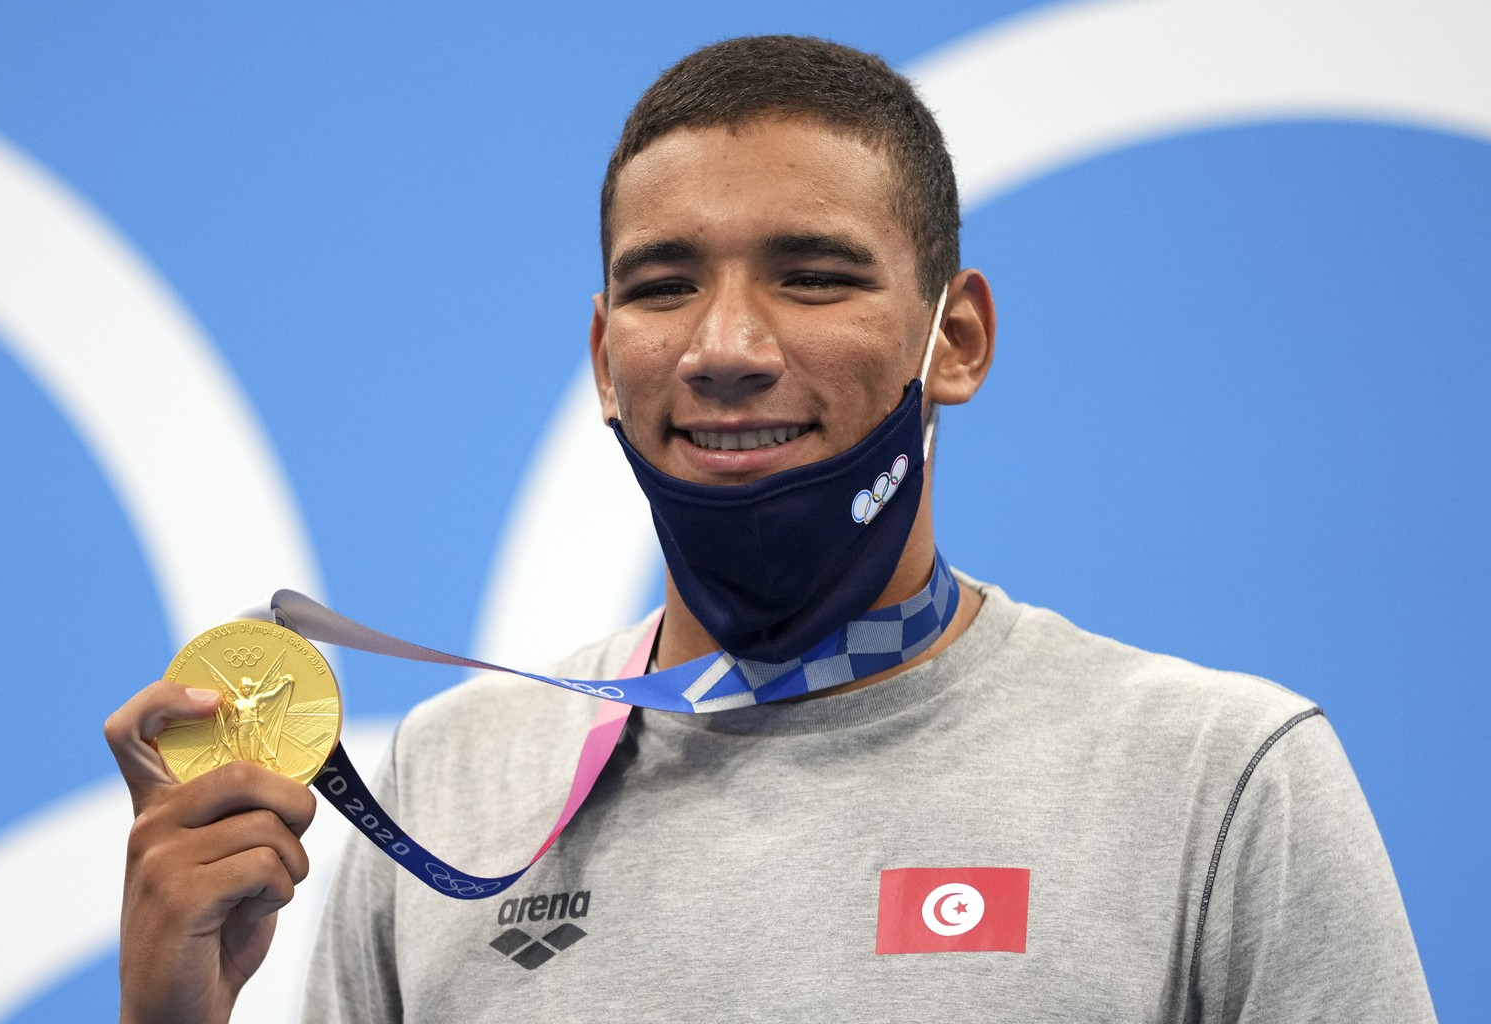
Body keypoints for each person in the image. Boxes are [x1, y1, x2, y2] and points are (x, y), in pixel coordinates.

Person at [105, 35, 1436, 1023]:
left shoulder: (1217, 778)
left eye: (813, 276)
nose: (726, 349)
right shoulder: (450, 787)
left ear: (954, 339)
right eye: (664, 286)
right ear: (603, 351)